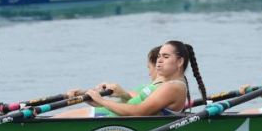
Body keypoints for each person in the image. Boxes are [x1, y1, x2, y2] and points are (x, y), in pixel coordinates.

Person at [62, 40, 206, 117]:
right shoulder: (167, 84)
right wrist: (92, 97)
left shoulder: (174, 86)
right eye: (159, 56)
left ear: (180, 62)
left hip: (113, 123)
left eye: (166, 57)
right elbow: (132, 105)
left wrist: (102, 100)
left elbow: (139, 112)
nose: (159, 60)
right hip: (111, 119)